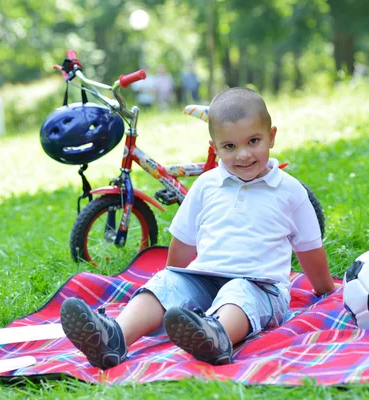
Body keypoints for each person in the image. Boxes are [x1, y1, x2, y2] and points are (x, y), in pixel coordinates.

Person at [60, 87, 338, 370]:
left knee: (239, 294)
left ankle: (216, 336)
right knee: (163, 285)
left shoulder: (290, 191)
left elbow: (309, 249)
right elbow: (183, 242)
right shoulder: (206, 185)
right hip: (204, 278)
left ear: (272, 137)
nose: (243, 154)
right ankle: (113, 337)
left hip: (261, 285)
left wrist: (325, 290)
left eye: (253, 141)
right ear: (215, 148)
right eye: (229, 147)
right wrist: (173, 287)